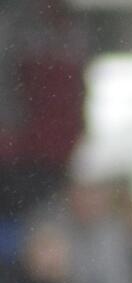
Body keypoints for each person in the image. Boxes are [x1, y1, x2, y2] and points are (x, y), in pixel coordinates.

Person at [0, 0, 91, 219]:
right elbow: (8, 84)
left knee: (44, 215)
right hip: (21, 149)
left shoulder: (73, 31)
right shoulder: (17, 27)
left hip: (53, 148)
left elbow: (78, 89)